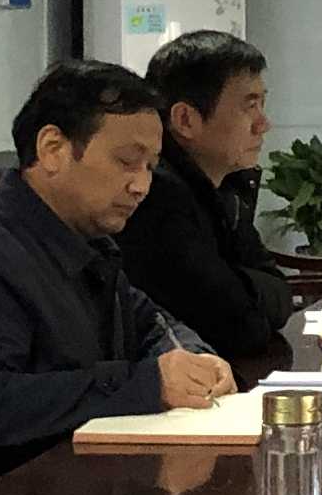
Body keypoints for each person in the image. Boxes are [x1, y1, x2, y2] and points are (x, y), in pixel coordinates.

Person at [0, 58, 232, 495]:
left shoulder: (84, 240)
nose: (141, 185)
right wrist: (146, 384)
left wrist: (193, 358)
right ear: (53, 149)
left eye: (150, 167)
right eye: (126, 161)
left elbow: (149, 322)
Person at [119, 28, 293, 386]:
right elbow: (239, 326)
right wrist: (243, 286)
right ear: (185, 119)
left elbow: (279, 292)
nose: (264, 123)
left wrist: (238, 283)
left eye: (263, 104)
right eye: (249, 106)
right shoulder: (157, 196)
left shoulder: (225, 185)